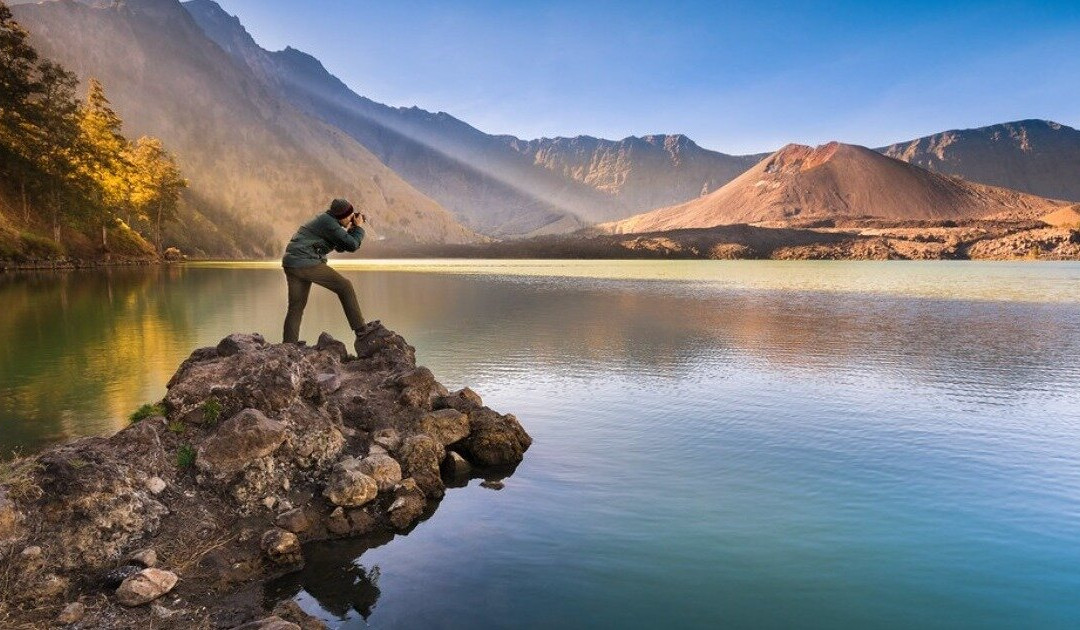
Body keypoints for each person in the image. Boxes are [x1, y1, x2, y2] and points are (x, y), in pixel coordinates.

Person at [282, 198, 367, 345]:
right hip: (305, 262)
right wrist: (358, 228)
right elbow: (352, 245)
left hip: (292, 262)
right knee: (345, 286)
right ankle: (361, 330)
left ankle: (289, 345)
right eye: (350, 215)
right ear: (343, 216)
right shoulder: (329, 223)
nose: (352, 218)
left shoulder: (327, 221)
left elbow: (342, 246)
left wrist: (352, 229)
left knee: (296, 306)